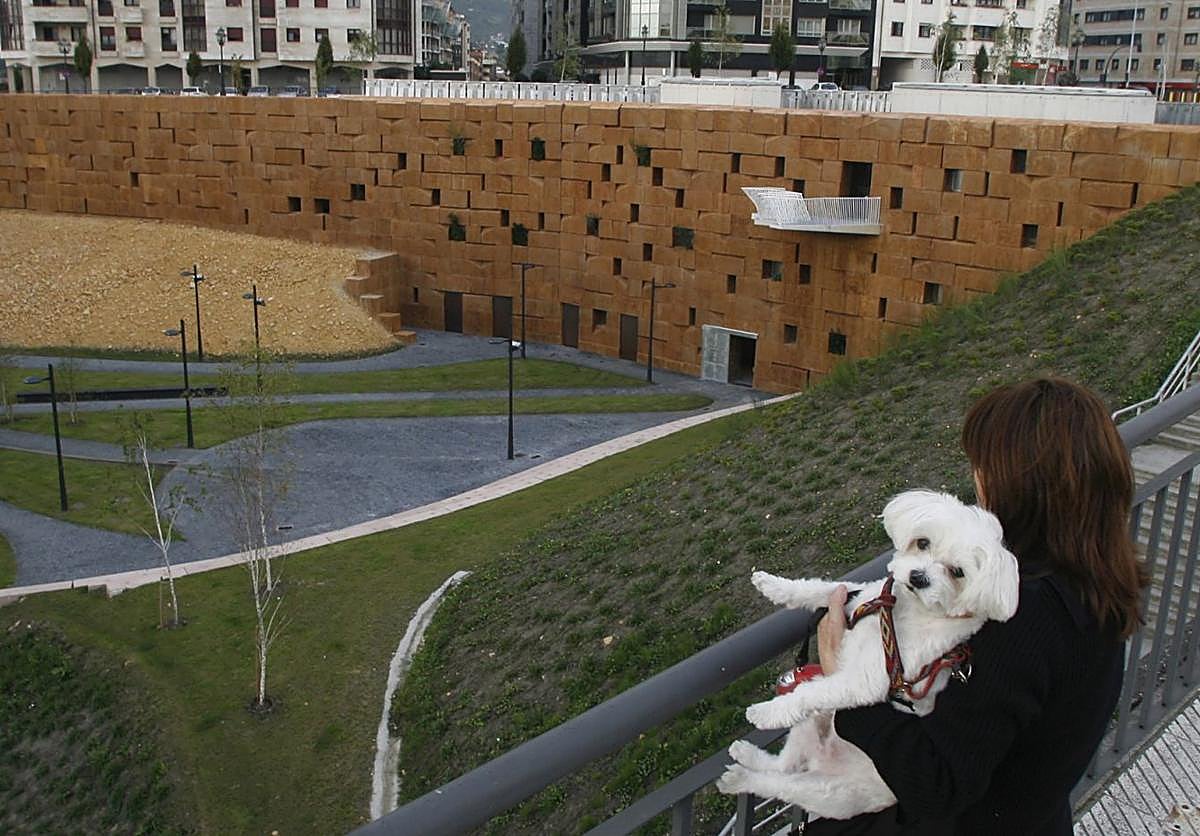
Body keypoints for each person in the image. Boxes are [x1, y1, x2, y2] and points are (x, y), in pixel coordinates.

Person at [805, 377, 1145, 835]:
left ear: (1020, 486)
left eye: (983, 467)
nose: (977, 482)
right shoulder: (1098, 583)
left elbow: (937, 785)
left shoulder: (1024, 615)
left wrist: (845, 690)